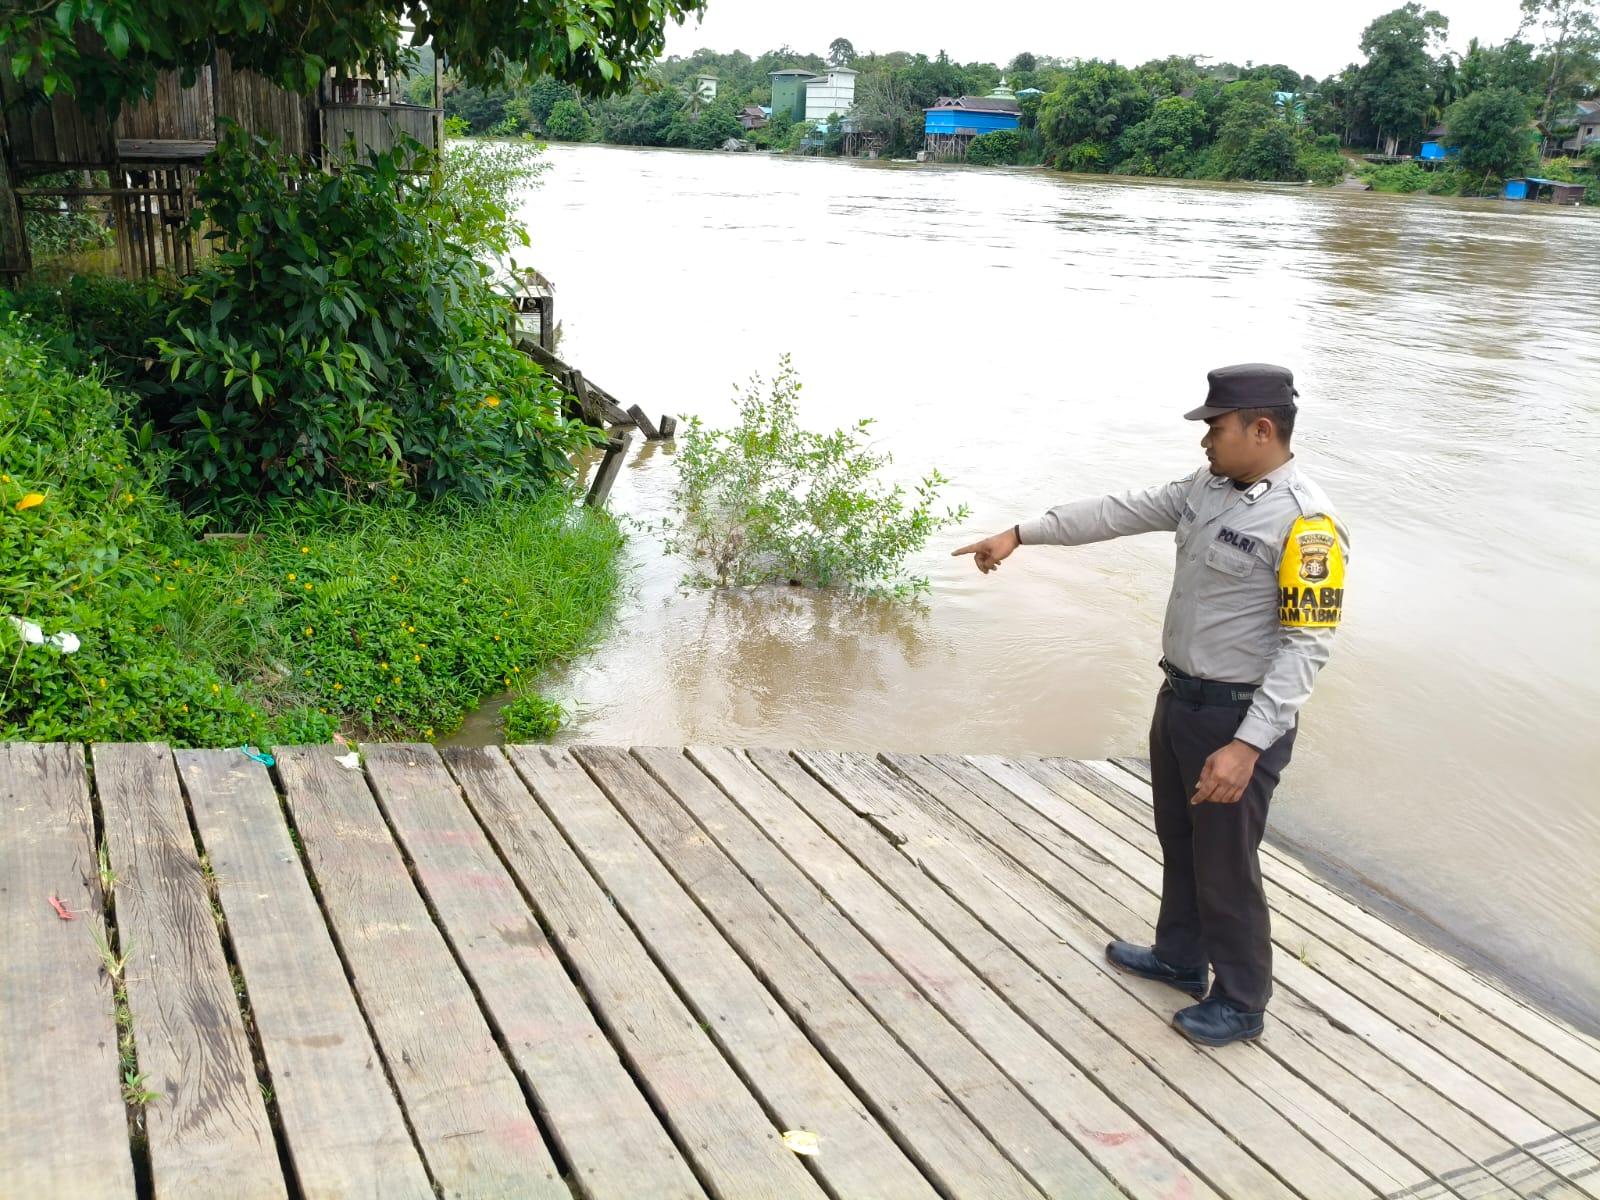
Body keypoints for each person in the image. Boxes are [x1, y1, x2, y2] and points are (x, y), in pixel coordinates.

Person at [953, 363, 1349, 1047]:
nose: (1205, 441)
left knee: (1228, 862)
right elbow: (1117, 511)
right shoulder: (1207, 489)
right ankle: (1179, 957)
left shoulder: (1307, 526)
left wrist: (1247, 746)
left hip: (1237, 719)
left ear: (1261, 429)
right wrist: (1022, 532)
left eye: (1216, 428)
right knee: (1182, 840)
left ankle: (1243, 1000)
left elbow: (1304, 650)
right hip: (1182, 701)